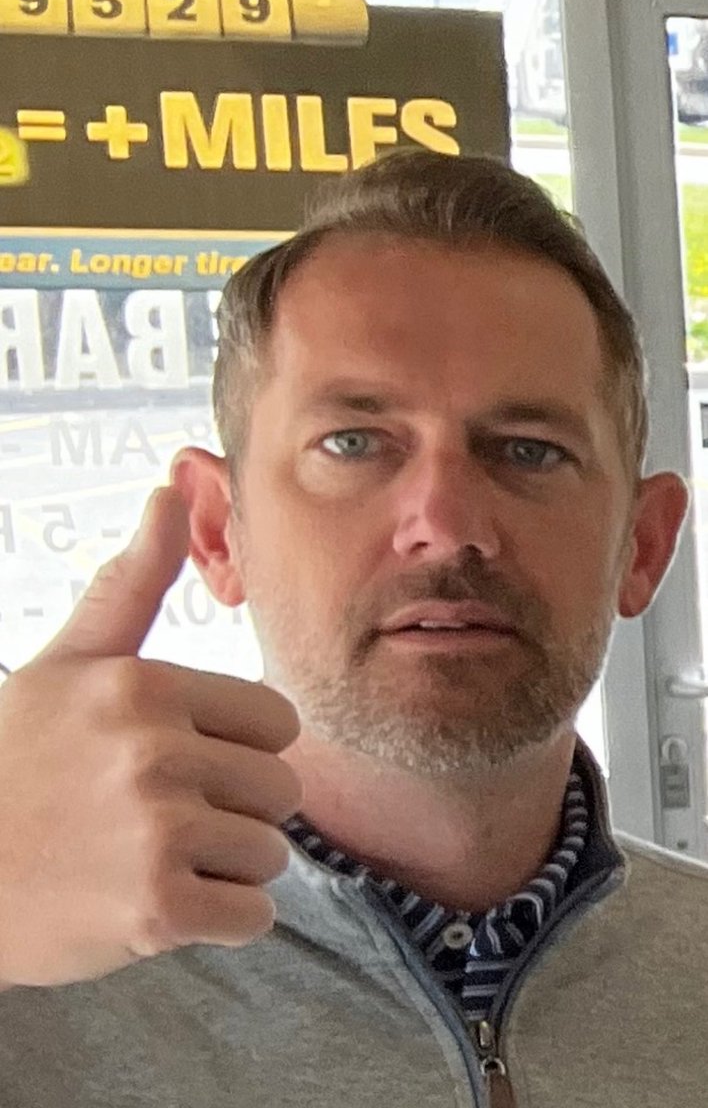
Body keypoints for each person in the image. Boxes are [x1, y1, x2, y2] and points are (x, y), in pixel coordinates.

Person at [0, 149, 705, 1107]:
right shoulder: (34, 975)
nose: (445, 523)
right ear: (218, 532)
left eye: (529, 451)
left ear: (643, 546)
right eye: (353, 442)